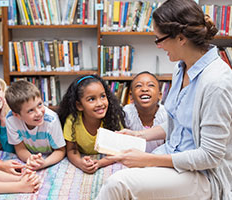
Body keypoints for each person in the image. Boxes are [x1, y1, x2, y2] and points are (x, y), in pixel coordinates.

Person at [96, 0, 232, 199]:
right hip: (174, 156)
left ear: (181, 38)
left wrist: (148, 160)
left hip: (203, 175)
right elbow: (180, 124)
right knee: (121, 173)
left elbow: (210, 157)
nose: (158, 46)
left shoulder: (217, 83)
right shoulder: (180, 69)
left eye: (159, 39)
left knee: (117, 184)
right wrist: (140, 135)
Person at [57, 75, 126, 174]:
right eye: (91, 99)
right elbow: (71, 150)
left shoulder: (113, 118)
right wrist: (80, 163)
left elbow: (118, 150)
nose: (100, 103)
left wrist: (99, 163)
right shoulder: (72, 121)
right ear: (79, 105)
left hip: (105, 160)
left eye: (103, 96)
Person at [5, 80, 66, 171]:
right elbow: (20, 149)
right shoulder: (11, 120)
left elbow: (60, 150)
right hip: (31, 155)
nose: (39, 113)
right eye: (30, 110)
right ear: (17, 115)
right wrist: (31, 160)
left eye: (40, 104)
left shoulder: (51, 120)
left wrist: (44, 163)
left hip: (50, 156)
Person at [123, 71, 167, 152]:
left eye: (151, 85)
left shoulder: (166, 115)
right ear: (131, 97)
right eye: (138, 86)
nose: (144, 89)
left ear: (160, 95)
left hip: (160, 160)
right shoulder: (126, 114)